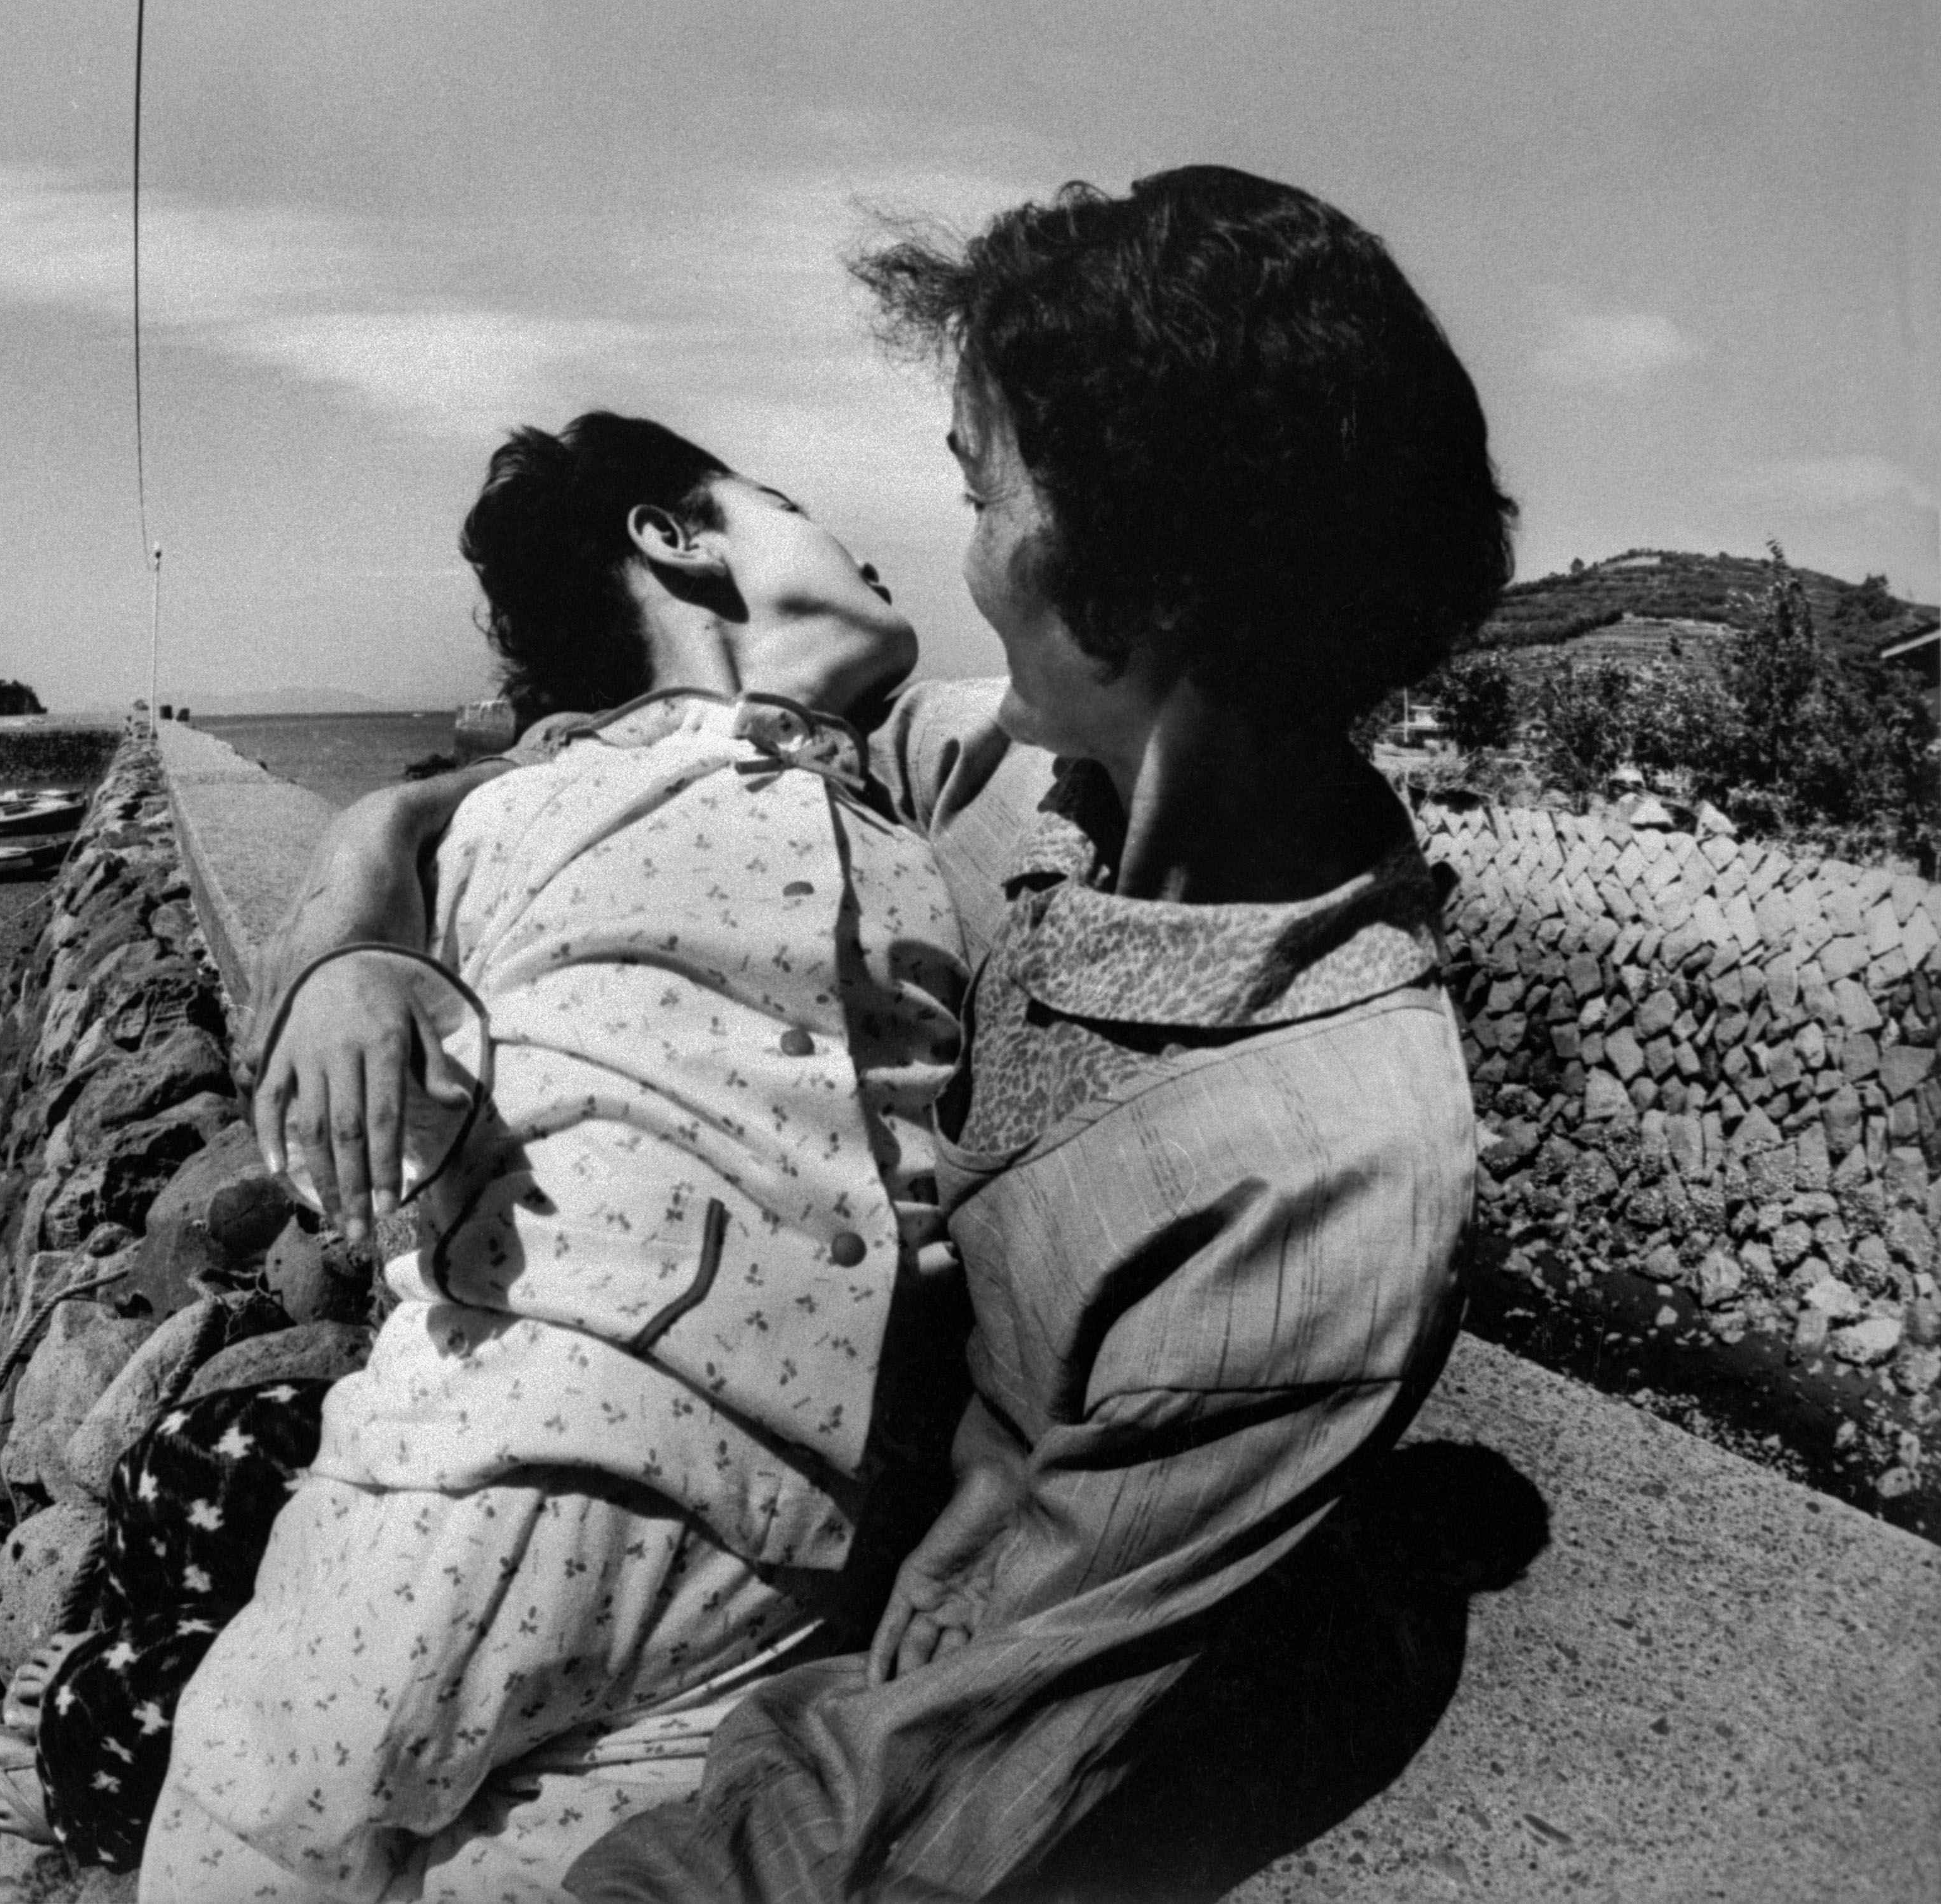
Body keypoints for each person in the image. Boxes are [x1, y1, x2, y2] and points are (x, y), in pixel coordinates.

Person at [263, 166, 1515, 1901]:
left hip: (847, 1673)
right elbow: (681, 758)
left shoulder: (1326, 1174)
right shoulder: (1014, 770)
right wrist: (367, 863)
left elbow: (947, 1776)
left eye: (978, 484)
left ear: (1121, 569)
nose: (956, 540)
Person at [0, 411, 974, 1894]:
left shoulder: (917, 771)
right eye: (792, 504)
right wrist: (350, 920)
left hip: (787, 1550)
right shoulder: (532, 807)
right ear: (673, 538)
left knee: (537, 1860)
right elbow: (342, 1081)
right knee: (256, 1828)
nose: (875, 548)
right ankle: (103, 1742)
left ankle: (118, 1721)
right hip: (528, 1448)